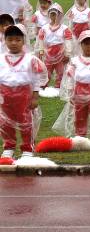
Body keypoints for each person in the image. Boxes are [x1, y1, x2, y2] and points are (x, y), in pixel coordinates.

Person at [0, 23, 45, 158]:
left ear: (23, 41)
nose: (14, 43)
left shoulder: (30, 59)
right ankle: (9, 146)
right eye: (10, 39)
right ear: (5, 40)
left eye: (18, 40)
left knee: (25, 121)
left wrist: (35, 96)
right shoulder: (1, 59)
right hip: (4, 94)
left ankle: (27, 148)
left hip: (23, 94)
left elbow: (37, 78)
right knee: (5, 121)